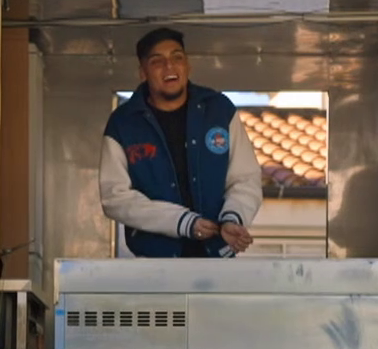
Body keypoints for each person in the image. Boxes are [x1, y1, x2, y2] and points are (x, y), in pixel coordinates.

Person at [100, 27, 263, 259]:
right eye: (158, 61)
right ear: (142, 72)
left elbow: (245, 179)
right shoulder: (123, 124)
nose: (169, 67)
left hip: (218, 261)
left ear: (188, 66)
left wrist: (233, 218)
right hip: (155, 266)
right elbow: (114, 197)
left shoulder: (219, 111)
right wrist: (181, 222)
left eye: (177, 58)